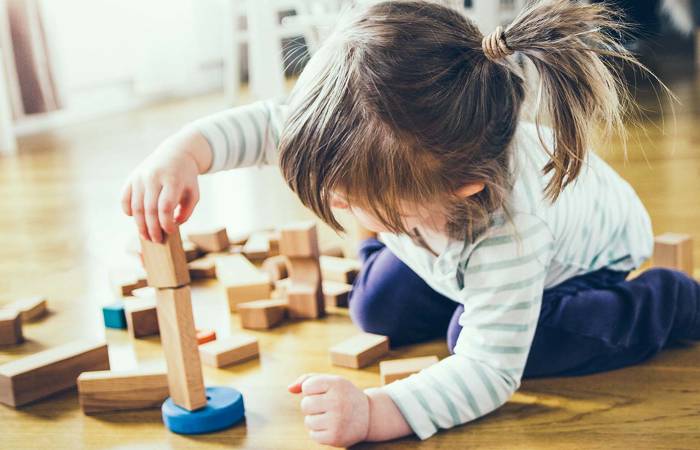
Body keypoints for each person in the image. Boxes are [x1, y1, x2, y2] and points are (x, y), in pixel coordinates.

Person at [122, 1, 700, 446]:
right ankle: (439, 276)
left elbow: (488, 373)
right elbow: (270, 127)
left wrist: (378, 412)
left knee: (482, 342)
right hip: (439, 243)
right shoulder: (386, 154)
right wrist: (182, 154)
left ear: (458, 190)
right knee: (375, 308)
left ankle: (667, 302)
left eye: (346, 198)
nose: (330, 205)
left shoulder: (512, 234)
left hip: (576, 268)